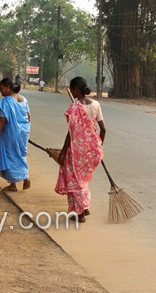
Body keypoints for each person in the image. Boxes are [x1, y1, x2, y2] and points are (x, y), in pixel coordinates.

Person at [54, 77, 105, 223]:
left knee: (75, 181)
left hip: (76, 151)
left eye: (71, 89)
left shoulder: (74, 108)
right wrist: (98, 147)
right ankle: (85, 206)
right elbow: (103, 129)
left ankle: (80, 213)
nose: (71, 91)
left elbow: (71, 134)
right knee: (82, 179)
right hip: (91, 151)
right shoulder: (96, 104)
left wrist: (63, 152)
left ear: (76, 89)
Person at [0, 78, 31, 191]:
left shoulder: (6, 102)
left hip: (11, 132)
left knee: (10, 156)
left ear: (8, 88)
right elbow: (29, 116)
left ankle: (13, 185)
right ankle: (25, 177)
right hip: (24, 132)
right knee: (20, 154)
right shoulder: (23, 99)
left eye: (2, 89)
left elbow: (3, 120)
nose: (0, 91)